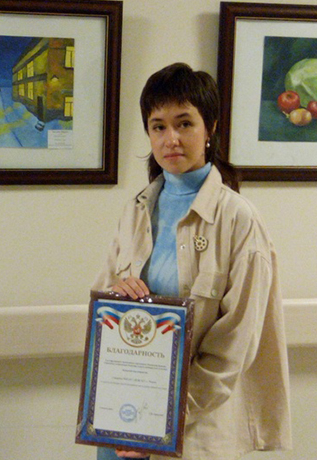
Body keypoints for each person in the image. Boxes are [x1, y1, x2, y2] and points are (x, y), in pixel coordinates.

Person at [93, 63, 292, 460]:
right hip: (123, 423)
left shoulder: (239, 219)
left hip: (192, 431)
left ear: (210, 127)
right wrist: (116, 295)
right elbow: (102, 311)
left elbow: (236, 341)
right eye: (158, 126)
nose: (171, 139)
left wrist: (166, 417)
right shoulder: (136, 211)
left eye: (184, 123)